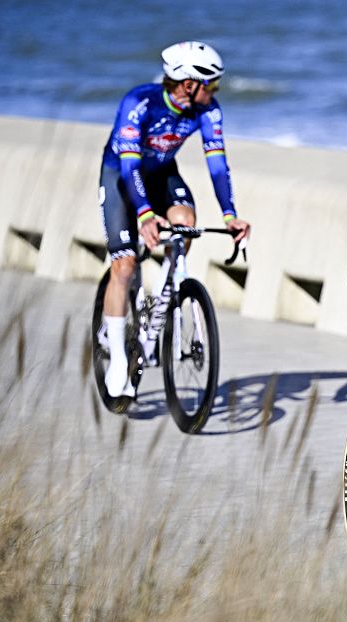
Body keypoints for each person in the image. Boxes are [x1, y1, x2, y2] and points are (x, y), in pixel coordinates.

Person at [98, 41, 250, 397]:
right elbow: (130, 165)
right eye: (212, 83)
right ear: (189, 84)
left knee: (186, 222)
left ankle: (165, 292)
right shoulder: (138, 103)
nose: (215, 91)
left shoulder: (208, 111)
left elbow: (217, 165)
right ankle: (119, 356)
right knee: (123, 265)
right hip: (121, 176)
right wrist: (146, 215)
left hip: (163, 173)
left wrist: (230, 215)